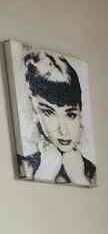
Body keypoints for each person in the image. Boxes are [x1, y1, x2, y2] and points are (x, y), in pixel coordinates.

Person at [17, 50, 97, 186]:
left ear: (80, 114)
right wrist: (46, 171)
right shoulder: (24, 166)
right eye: (49, 113)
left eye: (70, 114)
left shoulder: (91, 172)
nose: (63, 130)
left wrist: (79, 178)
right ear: (35, 112)